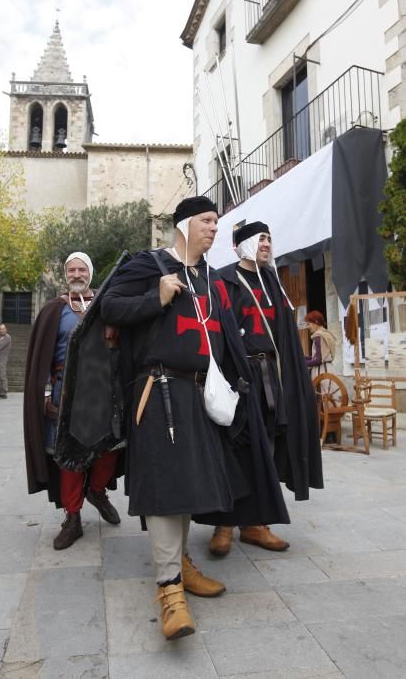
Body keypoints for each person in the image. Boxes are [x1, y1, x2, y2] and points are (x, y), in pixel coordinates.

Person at [100, 198, 289, 641]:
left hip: (200, 394)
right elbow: (109, 307)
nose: (214, 229)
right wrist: (156, 297)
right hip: (158, 390)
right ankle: (169, 594)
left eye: (216, 223)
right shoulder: (150, 265)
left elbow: (226, 339)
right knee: (167, 488)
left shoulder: (210, 279)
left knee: (188, 487)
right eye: (207, 221)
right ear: (185, 223)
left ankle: (180, 566)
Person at [209, 221, 323, 557]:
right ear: (242, 244)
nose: (266, 244)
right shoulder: (223, 280)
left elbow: (285, 335)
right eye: (261, 239)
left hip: (272, 378)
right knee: (235, 446)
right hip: (239, 377)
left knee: (269, 447)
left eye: (270, 239)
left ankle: (255, 524)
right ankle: (225, 524)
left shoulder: (274, 281)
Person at [24, 252, 122, 551]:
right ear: (65, 274)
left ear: (90, 273)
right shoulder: (54, 309)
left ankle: (96, 490)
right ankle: (73, 516)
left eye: (82, 269)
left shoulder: (108, 305)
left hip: (103, 392)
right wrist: (43, 397)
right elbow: (41, 358)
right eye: (72, 270)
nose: (77, 274)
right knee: (68, 458)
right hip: (63, 393)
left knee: (110, 449)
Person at [305, 310, 337, 379]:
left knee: (322, 390)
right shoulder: (326, 334)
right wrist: (303, 358)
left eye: (308, 324)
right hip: (329, 369)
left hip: (321, 372)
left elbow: (318, 360)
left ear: (315, 322)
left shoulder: (318, 336)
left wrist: (302, 363)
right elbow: (319, 356)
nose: (307, 327)